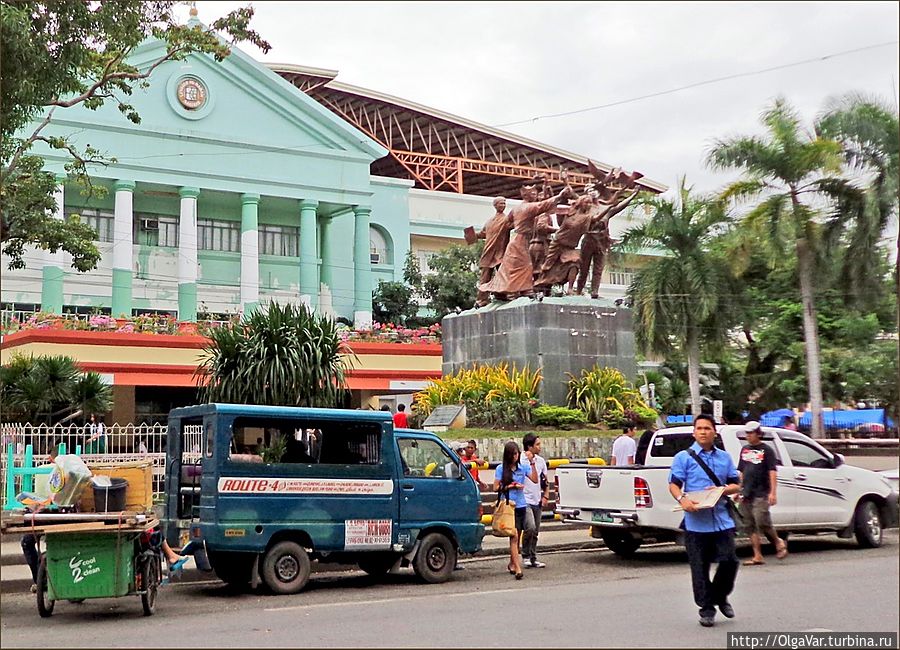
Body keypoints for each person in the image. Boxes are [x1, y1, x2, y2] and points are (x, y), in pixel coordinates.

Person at [668, 414, 741, 628]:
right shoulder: (684, 457)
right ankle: (706, 609)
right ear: (694, 432)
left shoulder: (724, 458)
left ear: (714, 432)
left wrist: (723, 490)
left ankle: (720, 596)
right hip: (695, 523)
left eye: (707, 428)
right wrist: (683, 499)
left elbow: (736, 484)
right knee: (699, 568)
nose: (703, 432)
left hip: (721, 520)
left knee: (730, 561)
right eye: (699, 428)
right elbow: (673, 485)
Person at [480, 181, 574, 300]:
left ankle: (521, 290)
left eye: (535, 193)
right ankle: (519, 290)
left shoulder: (516, 208)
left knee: (517, 267)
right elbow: (543, 205)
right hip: (520, 240)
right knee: (524, 266)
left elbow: (508, 223)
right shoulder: (527, 208)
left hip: (519, 240)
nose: (535, 195)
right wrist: (560, 196)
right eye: (533, 193)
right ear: (526, 195)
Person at [737, 421, 788, 565]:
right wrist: (739, 489)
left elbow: (772, 472)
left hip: (761, 492)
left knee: (762, 521)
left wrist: (773, 492)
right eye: (746, 433)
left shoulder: (767, 450)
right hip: (747, 493)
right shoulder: (745, 450)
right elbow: (742, 471)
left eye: (751, 433)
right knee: (749, 525)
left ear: (758, 434)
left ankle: (778, 541)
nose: (748, 436)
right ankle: (757, 555)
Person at [492, 440, 538, 579]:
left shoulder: (522, 468)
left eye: (517, 454)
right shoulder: (501, 469)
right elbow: (495, 487)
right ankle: (517, 568)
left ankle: (512, 563)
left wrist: (532, 463)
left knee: (524, 531)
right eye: (512, 454)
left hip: (521, 505)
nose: (515, 457)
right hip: (508, 505)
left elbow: (535, 479)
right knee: (514, 537)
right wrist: (510, 486)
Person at [473, 197, 513, 306]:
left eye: (504, 203)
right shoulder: (489, 222)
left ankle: (503, 294)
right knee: (485, 277)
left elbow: (517, 225)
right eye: (501, 203)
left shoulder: (506, 220)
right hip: (488, 252)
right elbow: (482, 233)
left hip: (500, 253)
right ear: (495, 205)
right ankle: (481, 299)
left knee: (503, 275)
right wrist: (471, 235)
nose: (503, 205)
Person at [521, 433, 549, 568]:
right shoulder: (521, 460)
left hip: (537, 498)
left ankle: (533, 556)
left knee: (536, 530)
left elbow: (545, 481)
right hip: (525, 499)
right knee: (530, 527)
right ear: (529, 446)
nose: (540, 447)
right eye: (537, 444)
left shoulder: (541, 461)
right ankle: (525, 554)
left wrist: (546, 496)